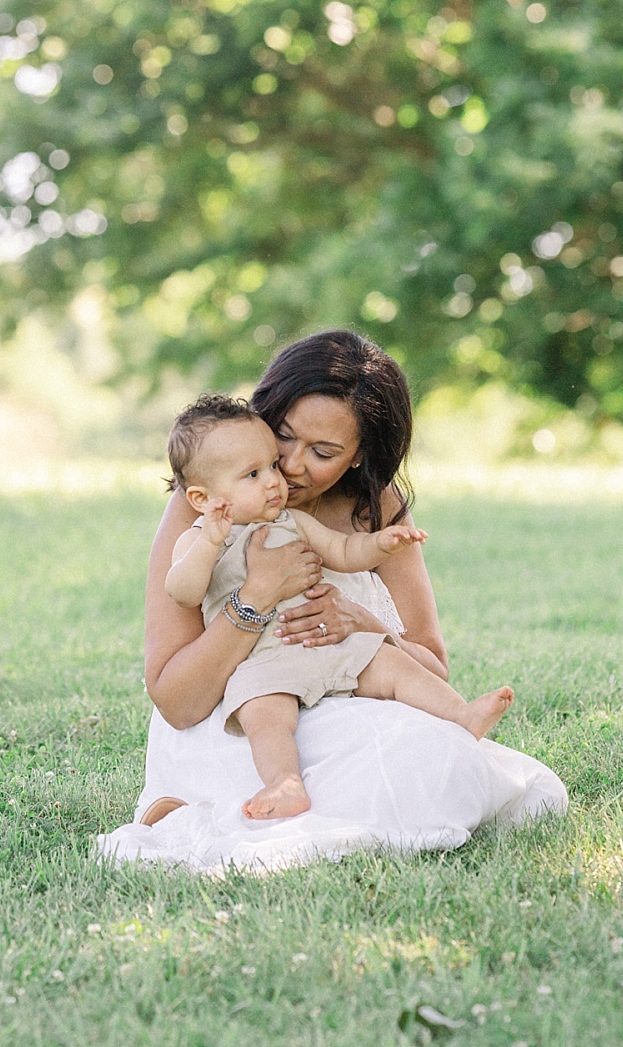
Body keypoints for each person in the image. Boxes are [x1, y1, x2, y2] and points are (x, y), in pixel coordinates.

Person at [97, 330, 564, 874]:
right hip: (238, 716)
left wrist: (364, 625)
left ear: (358, 456)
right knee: (417, 765)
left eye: (321, 453)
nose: (290, 467)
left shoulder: (374, 506)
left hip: (347, 697)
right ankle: (209, 805)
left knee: (444, 756)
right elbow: (177, 701)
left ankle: (231, 812)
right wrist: (256, 597)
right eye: (282, 438)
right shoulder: (209, 504)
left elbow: (433, 666)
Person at [160, 394, 515, 821]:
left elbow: (343, 551)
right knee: (266, 718)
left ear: (357, 457)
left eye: (270, 465)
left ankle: (460, 713)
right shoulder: (198, 535)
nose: (280, 476)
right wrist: (220, 553)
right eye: (257, 470)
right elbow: (182, 591)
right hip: (264, 662)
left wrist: (380, 544)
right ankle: (285, 783)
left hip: (329, 649)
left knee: (389, 663)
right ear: (202, 495)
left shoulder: (292, 521)